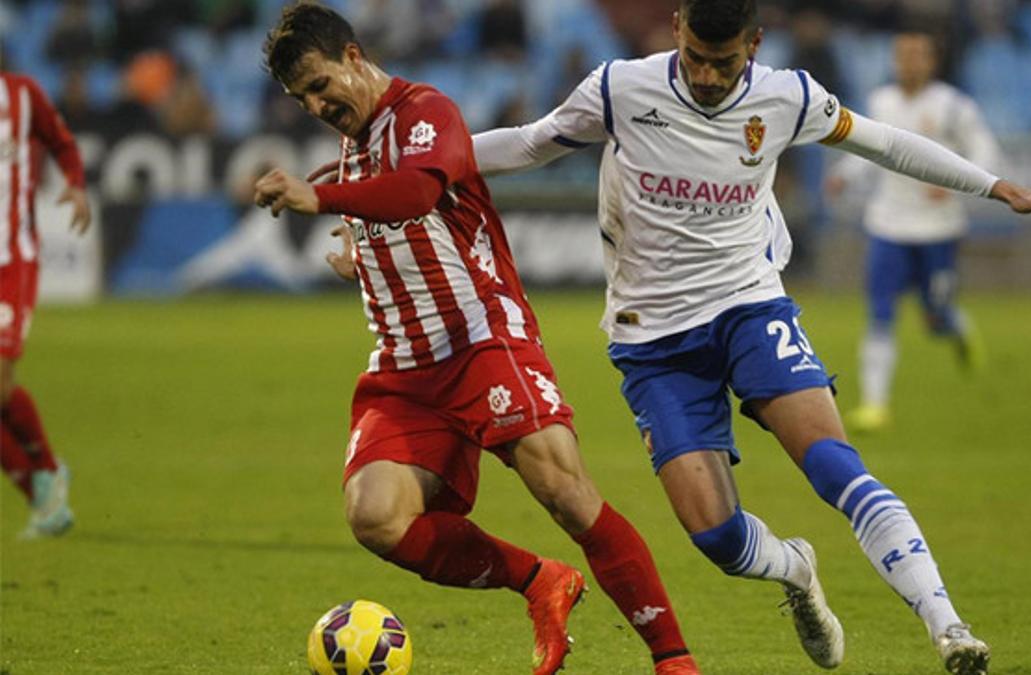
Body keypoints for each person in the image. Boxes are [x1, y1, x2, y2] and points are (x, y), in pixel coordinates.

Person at [470, 1, 1031, 673]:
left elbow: (883, 142)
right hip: (651, 338)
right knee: (714, 533)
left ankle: (949, 626)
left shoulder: (788, 96)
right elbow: (530, 142)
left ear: (756, 44)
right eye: (697, 60)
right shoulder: (622, 88)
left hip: (749, 305)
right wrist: (406, 164)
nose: (709, 78)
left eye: (727, 62)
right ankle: (796, 568)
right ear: (676, 27)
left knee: (834, 464)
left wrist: (1001, 188)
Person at [253, 6, 698, 675]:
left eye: (320, 84)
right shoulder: (353, 148)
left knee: (567, 493)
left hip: (482, 342)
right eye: (302, 98)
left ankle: (674, 660)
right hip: (405, 368)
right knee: (376, 516)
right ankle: (540, 580)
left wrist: (325, 204)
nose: (317, 105)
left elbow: (417, 191)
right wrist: (362, 254)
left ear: (352, 55)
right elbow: (401, 224)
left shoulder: (426, 114)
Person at [825, 31, 1002, 432]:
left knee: (934, 316)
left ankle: (956, 327)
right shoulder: (880, 101)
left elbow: (986, 151)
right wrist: (844, 175)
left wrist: (957, 183)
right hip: (887, 224)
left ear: (931, 61)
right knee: (880, 314)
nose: (908, 61)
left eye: (917, 55)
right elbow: (869, 150)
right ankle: (875, 405)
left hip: (939, 229)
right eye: (902, 54)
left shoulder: (954, 107)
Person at [0, 71, 90, 539]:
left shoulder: (21, 94)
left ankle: (49, 471)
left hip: (10, 259)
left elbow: (62, 142)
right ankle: (44, 499)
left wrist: (75, 185)